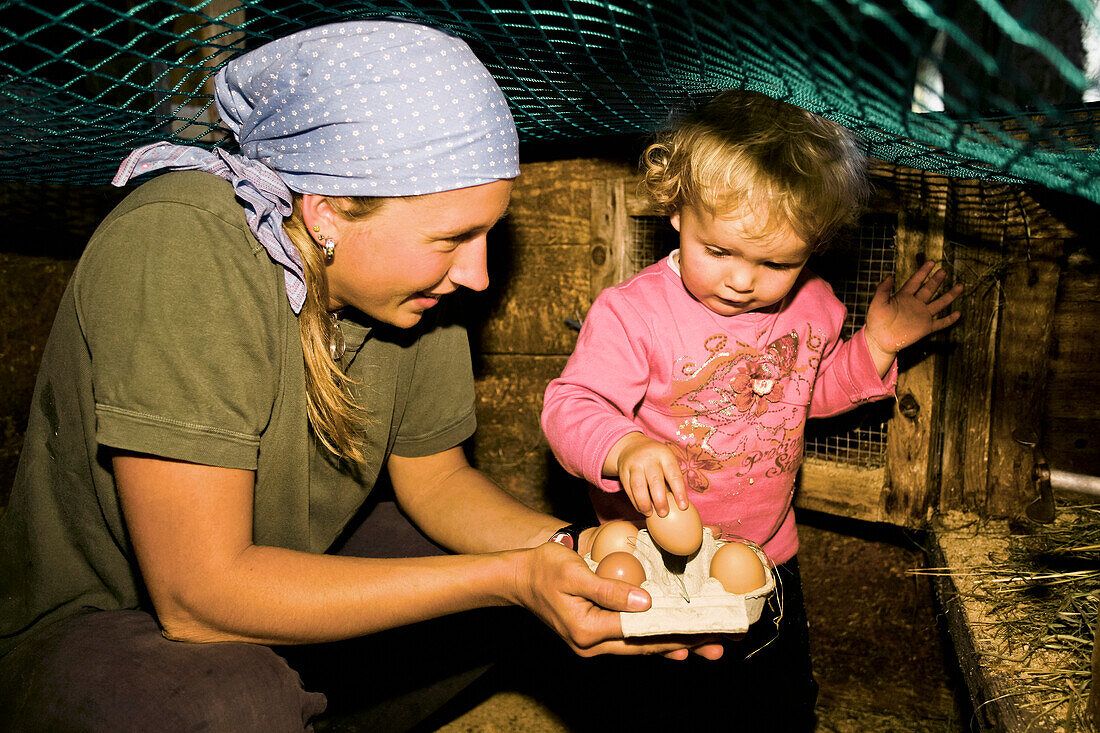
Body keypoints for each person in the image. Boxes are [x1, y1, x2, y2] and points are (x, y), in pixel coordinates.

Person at [0, 20, 724, 733]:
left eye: (486, 235)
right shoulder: (179, 248)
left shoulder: (415, 296)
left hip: (284, 572)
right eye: (450, 239)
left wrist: (582, 553)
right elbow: (197, 596)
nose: (477, 275)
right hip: (102, 629)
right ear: (326, 213)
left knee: (528, 588)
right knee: (230, 701)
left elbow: (435, 483)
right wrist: (509, 578)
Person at [540, 89, 963, 728]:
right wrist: (622, 446)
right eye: (721, 252)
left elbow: (797, 399)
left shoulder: (813, 306)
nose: (743, 280)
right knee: (650, 705)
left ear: (814, 247)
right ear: (677, 210)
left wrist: (875, 345)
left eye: (776, 262)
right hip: (653, 561)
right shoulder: (635, 315)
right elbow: (571, 404)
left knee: (777, 700)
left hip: (766, 552)